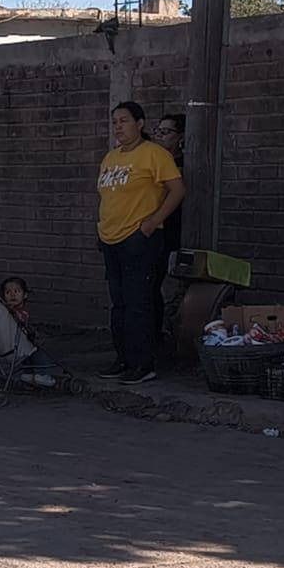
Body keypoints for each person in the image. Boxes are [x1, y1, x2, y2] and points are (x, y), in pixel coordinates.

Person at [96, 101, 184, 385]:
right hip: (110, 238)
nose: (118, 127)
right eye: (114, 122)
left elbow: (177, 190)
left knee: (138, 303)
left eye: (124, 121)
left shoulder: (154, 155)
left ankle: (142, 363)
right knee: (118, 303)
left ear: (140, 124)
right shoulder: (110, 158)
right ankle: (122, 359)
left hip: (139, 239)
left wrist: (150, 223)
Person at [152, 113, 186, 338]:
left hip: (174, 233)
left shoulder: (185, 165)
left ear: (181, 137)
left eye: (166, 132)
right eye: (158, 132)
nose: (160, 137)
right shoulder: (153, 163)